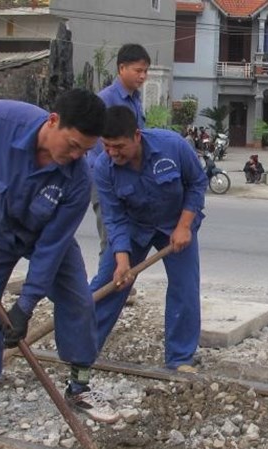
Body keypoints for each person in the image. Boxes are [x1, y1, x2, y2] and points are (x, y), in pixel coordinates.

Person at [0, 89, 119, 431]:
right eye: (74, 144)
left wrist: (25, 306)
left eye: (86, 150)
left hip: (43, 234)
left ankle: (80, 387)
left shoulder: (79, 178)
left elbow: (52, 247)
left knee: (78, 299)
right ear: (53, 121)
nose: (77, 154)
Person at [91, 106, 208, 371]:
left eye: (118, 146)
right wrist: (122, 260)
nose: (112, 153)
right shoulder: (103, 167)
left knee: (185, 287)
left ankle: (179, 359)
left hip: (175, 224)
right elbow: (114, 217)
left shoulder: (172, 146)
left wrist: (184, 226)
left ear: (136, 135)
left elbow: (197, 183)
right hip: (133, 227)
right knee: (109, 282)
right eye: (106, 146)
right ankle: (82, 348)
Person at [88, 43, 151, 255]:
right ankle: (108, 284)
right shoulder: (105, 100)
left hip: (130, 176)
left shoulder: (135, 99)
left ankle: (120, 283)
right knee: (111, 238)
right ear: (121, 68)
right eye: (138, 71)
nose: (143, 76)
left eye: (145, 71)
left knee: (128, 238)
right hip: (107, 178)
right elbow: (96, 145)